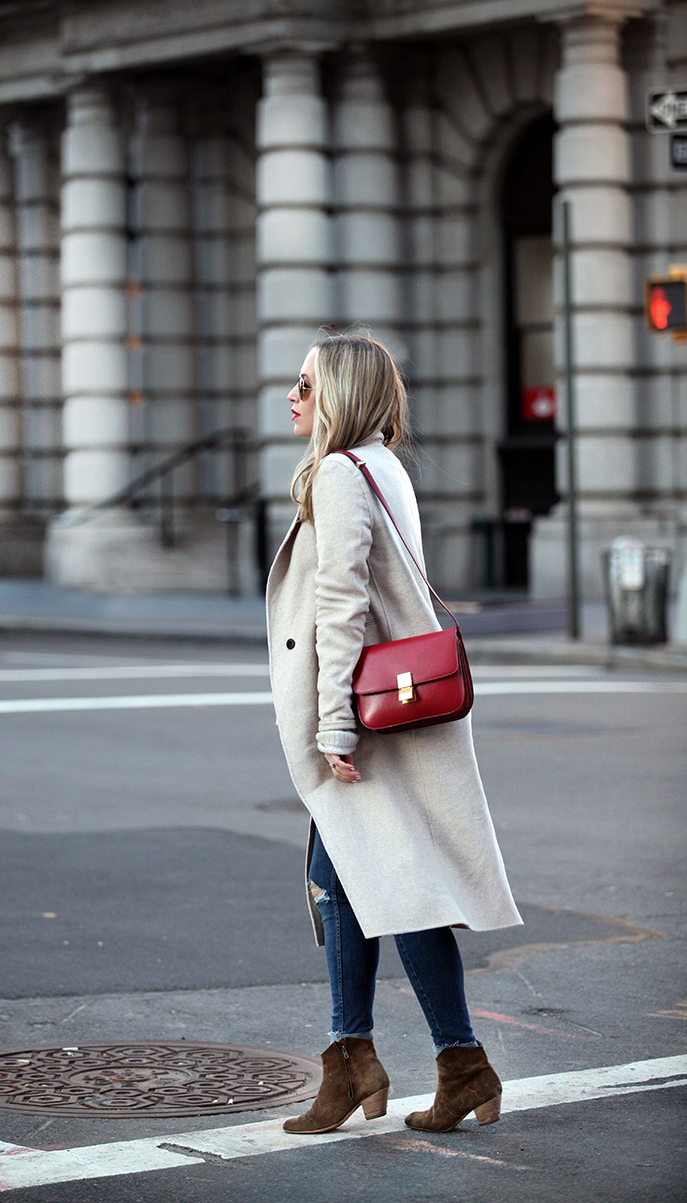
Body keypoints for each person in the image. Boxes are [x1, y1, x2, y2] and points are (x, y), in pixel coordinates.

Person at [266, 332, 522, 1137]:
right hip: (395, 711)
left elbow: (342, 603)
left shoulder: (341, 475)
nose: (292, 396)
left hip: (367, 718)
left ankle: (450, 1060)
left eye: (304, 382)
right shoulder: (384, 466)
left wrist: (333, 724)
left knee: (398, 883)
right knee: (346, 875)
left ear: (337, 391)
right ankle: (363, 1058)